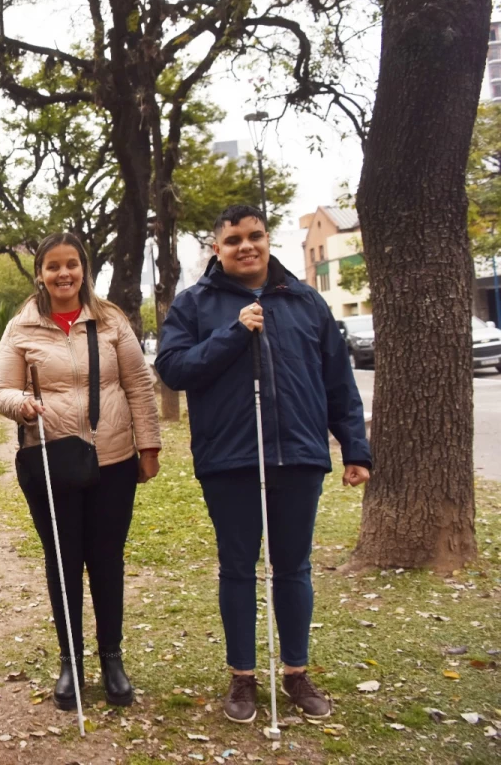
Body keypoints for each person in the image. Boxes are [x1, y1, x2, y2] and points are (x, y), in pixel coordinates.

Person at [155, 204, 371, 725]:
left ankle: (295, 672)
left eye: (255, 236)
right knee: (237, 568)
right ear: (217, 249)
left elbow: (338, 380)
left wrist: (355, 448)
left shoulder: (305, 300)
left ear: (268, 239)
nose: (246, 247)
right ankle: (243, 678)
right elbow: (174, 368)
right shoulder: (195, 304)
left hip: (297, 454)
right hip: (229, 458)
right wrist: (233, 333)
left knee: (293, 567)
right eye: (234, 240)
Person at [0, 232, 162, 711]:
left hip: (113, 461)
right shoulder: (20, 327)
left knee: (106, 559)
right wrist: (21, 405)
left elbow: (138, 385)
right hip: (52, 463)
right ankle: (71, 661)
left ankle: (112, 658)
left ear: (83, 269)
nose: (63, 274)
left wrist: (148, 445)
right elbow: (0, 390)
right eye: (53, 266)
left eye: (72, 264)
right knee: (62, 562)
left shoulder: (110, 321)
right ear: (40, 273)